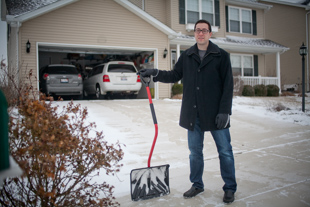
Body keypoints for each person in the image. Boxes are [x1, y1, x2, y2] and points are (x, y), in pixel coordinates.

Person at [138, 19, 237, 203]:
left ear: (210, 33)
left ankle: (230, 188)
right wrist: (155, 73)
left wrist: (225, 111)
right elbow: (175, 75)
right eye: (198, 30)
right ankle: (197, 184)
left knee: (225, 151)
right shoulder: (187, 55)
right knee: (195, 152)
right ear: (194, 33)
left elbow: (228, 86)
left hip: (217, 113)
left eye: (204, 30)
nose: (201, 33)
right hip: (193, 113)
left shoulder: (221, 55)